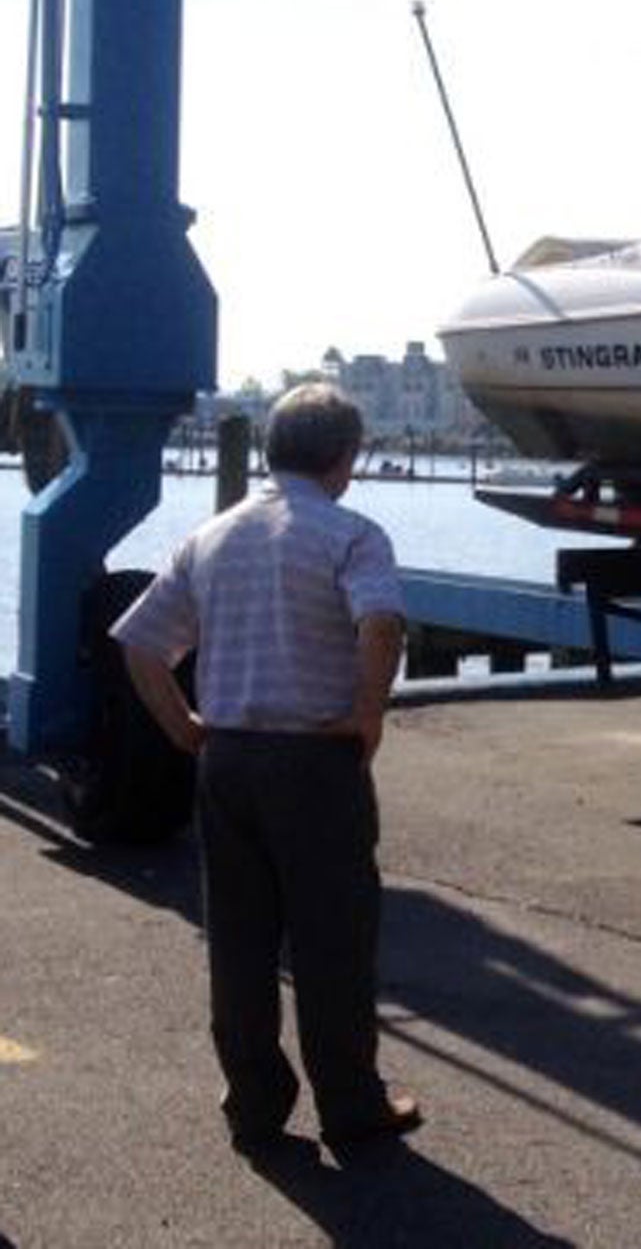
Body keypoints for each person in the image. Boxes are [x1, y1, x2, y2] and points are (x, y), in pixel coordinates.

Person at [113, 381, 420, 1150]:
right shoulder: (352, 534)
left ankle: (254, 1103)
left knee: (240, 939)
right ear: (344, 459)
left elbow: (141, 641)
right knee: (332, 941)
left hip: (229, 759)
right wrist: (368, 713)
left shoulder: (211, 537)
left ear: (269, 449)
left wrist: (185, 726)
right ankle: (351, 1106)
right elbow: (379, 622)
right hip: (315, 760)